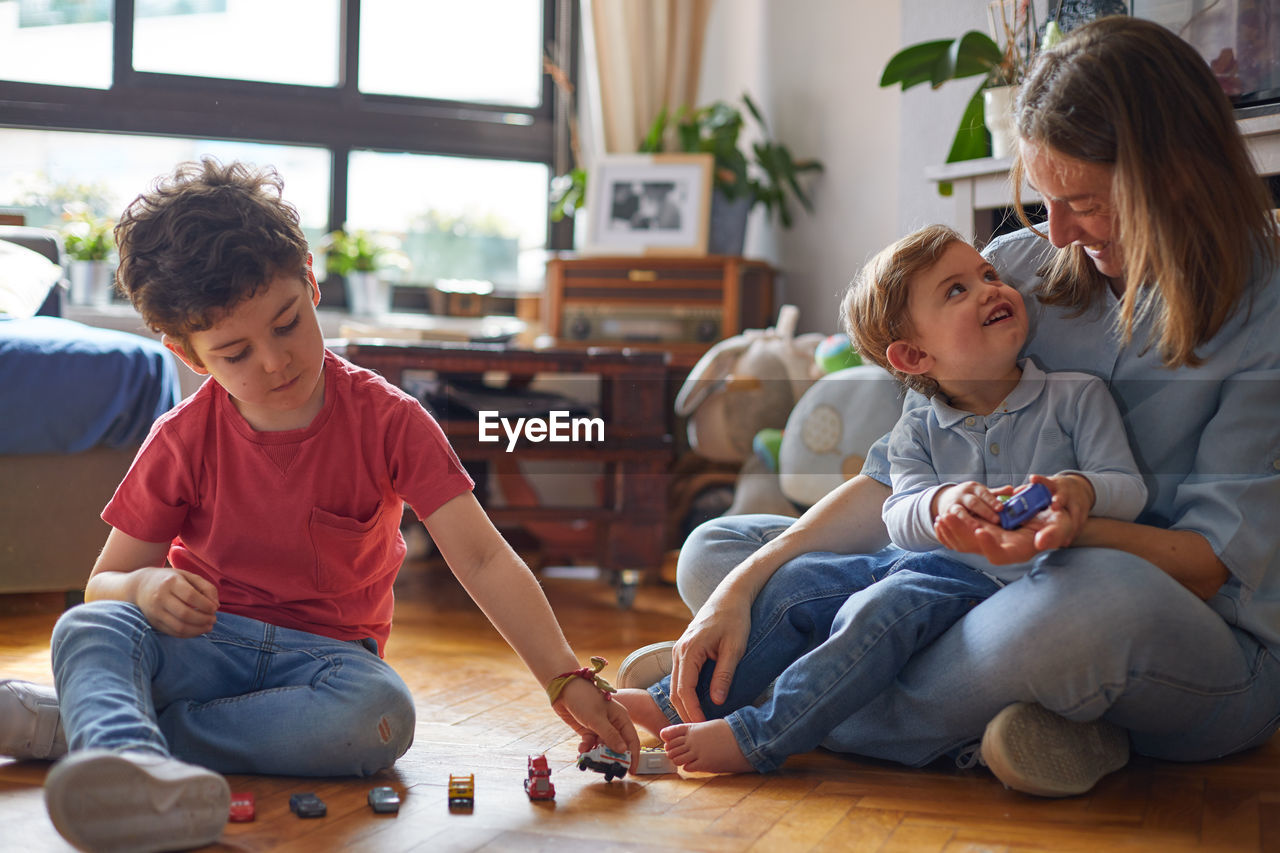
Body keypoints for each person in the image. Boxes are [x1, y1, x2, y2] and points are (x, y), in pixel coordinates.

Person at [618, 16, 1280, 797]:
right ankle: (1031, 723)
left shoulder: (1265, 303)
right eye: (1043, 197)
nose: (1056, 230)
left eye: (1086, 201)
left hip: (1167, 622)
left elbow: (1211, 564)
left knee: (1085, 605)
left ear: (1172, 172)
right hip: (964, 589)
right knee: (718, 548)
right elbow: (894, 481)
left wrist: (1058, 525)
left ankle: (763, 695)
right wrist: (743, 585)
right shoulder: (1015, 270)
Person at [0, 158, 639, 853]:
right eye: (236, 351)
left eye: (287, 322)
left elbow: (483, 557)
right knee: (90, 629)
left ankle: (103, 734)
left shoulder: (392, 421)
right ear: (186, 351)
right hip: (200, 646)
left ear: (309, 278)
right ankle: (124, 758)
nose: (274, 361)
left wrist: (562, 675)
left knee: (381, 715)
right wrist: (147, 586)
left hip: (327, 668)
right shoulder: (182, 437)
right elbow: (105, 584)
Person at [616, 224, 1147, 777]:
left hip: (997, 590)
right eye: (957, 290)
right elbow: (898, 509)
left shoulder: (1077, 396)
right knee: (799, 582)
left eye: (988, 275)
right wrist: (939, 505)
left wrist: (1079, 490)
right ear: (915, 355)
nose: (991, 288)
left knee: (879, 609)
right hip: (910, 563)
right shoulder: (918, 424)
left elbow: (1128, 490)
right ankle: (672, 703)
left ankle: (760, 734)